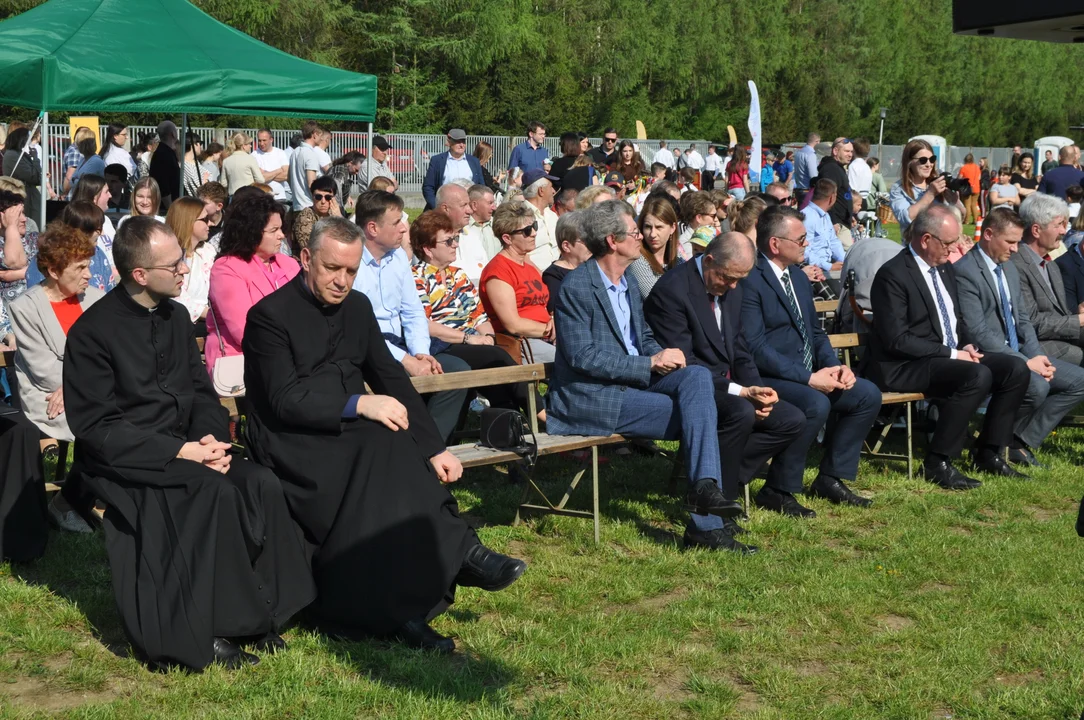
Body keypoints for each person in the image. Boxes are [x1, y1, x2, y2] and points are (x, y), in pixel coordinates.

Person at [240, 215, 524, 652]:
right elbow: (284, 400)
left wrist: (434, 449)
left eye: (351, 272)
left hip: (351, 434)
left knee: (391, 445)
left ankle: (413, 607)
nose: (341, 281)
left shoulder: (356, 308)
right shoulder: (269, 316)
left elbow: (391, 378)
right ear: (305, 259)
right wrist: (358, 404)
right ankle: (460, 553)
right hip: (291, 440)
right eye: (331, 268)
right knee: (382, 440)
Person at [63, 216, 315, 671]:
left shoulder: (177, 317)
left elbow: (200, 392)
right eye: (175, 265)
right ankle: (212, 625)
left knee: (260, 482)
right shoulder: (92, 332)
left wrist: (212, 441)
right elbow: (98, 427)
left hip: (192, 445)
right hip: (125, 459)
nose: (185, 271)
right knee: (207, 492)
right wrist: (182, 453)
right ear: (140, 275)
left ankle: (264, 613)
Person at [546, 201, 749, 551]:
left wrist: (665, 355)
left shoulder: (625, 283)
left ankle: (703, 489)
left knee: (697, 377)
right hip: (593, 394)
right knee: (703, 413)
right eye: (635, 232)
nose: (642, 237)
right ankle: (705, 524)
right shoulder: (577, 287)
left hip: (632, 381)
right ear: (613, 240)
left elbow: (642, 337)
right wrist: (649, 363)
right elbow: (583, 357)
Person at [644, 229, 808, 525]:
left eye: (738, 279)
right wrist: (740, 393)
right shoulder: (672, 291)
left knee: (791, 419)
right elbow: (685, 365)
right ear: (708, 261)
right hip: (691, 387)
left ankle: (718, 479)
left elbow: (740, 349)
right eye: (726, 277)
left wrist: (757, 388)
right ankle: (722, 502)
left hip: (727, 384)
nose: (732, 285)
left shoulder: (732, 287)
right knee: (740, 413)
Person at [868, 204, 1031, 489]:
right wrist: (955, 354)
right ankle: (937, 461)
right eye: (947, 243)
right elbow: (897, 340)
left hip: (946, 355)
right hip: (903, 364)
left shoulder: (943, 269)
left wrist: (967, 344)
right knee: (976, 375)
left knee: (1014, 368)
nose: (952, 249)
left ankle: (989, 452)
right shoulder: (893, 275)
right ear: (925, 239)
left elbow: (957, 320)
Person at [740, 205, 881, 506]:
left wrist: (834, 366)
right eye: (801, 239)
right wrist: (808, 378)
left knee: (866, 394)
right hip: (769, 376)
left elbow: (815, 333)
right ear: (775, 244)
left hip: (808, 372)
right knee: (815, 403)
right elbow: (755, 346)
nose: (808, 245)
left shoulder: (798, 278)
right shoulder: (751, 280)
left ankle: (830, 478)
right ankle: (778, 489)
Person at [954, 207, 1084, 467]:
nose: (1016, 249)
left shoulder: (1008, 269)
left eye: (1017, 242)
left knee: (1079, 381)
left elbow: (1023, 321)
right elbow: (977, 331)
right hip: (988, 355)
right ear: (988, 234)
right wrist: (1026, 363)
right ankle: (989, 447)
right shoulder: (965, 270)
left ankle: (1017, 439)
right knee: (1036, 386)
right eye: (1010, 242)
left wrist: (1037, 355)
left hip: (1020, 353)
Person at [349, 191, 472, 441]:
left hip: (399, 344)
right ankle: (413, 449)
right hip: (363, 351)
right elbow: (358, 331)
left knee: (458, 372)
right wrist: (407, 360)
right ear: (372, 228)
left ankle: (428, 447)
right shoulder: (351, 263)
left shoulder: (396, 258)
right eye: (396, 222)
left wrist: (420, 353)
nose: (404, 228)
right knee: (398, 378)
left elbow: (413, 312)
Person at [8, 223, 104, 533]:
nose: (88, 274)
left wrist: (79, 382)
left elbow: (111, 356)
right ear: (53, 269)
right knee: (102, 431)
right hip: (48, 396)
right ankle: (66, 503)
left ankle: (91, 497)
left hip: (87, 388)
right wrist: (80, 383)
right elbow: (43, 369)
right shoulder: (25, 307)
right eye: (80, 267)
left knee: (134, 420)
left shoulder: (97, 299)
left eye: (88, 265)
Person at [411, 210, 540, 418]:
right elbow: (424, 324)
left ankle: (512, 423)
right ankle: (539, 414)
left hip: (471, 342)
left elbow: (479, 316)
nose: (456, 244)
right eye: (448, 241)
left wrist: (488, 337)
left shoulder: (458, 275)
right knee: (497, 357)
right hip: (441, 345)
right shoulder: (416, 278)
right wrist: (470, 339)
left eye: (456, 238)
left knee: (494, 358)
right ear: (427, 249)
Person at [206, 194, 299, 378]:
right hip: (244, 365)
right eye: (274, 230)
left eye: (281, 228)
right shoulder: (227, 268)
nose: (282, 235)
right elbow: (245, 331)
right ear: (251, 231)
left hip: (292, 360)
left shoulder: (289, 264)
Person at [479, 200, 557, 364]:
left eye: (534, 226)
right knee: (571, 360)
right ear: (507, 238)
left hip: (545, 335)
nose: (534, 233)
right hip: (521, 340)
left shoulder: (528, 264)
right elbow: (513, 324)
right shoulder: (498, 272)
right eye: (527, 231)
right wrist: (550, 330)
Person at [1011, 192, 1084, 366]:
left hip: (1058, 337)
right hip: (1034, 346)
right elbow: (1031, 323)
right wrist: (1078, 320)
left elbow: (1060, 312)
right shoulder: (1017, 264)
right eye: (1059, 225)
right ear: (1036, 230)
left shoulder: (1050, 263)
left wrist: (1078, 311)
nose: (1063, 231)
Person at [165, 197, 217, 329]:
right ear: (188, 222)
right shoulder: (166, 256)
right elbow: (175, 299)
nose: (210, 223)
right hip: (176, 322)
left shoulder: (208, 251)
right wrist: (214, 315)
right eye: (205, 219)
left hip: (208, 320)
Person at [628, 195, 684, 299]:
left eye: (659, 227)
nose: (653, 234)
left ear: (672, 228)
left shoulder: (678, 258)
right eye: (648, 227)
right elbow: (657, 299)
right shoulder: (638, 259)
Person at [422, 129, 484, 210]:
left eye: (463, 141)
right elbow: (428, 187)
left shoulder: (474, 161)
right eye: (458, 142)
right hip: (445, 209)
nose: (461, 145)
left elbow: (481, 186)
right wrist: (437, 207)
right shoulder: (437, 161)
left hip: (468, 208)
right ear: (449, 142)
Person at [542, 211, 590, 312]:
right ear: (566, 246)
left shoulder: (592, 266)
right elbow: (557, 311)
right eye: (585, 241)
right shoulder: (553, 276)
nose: (591, 245)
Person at [71, 174, 118, 267]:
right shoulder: (80, 224)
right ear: (94, 197)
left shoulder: (106, 220)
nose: (110, 195)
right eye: (107, 191)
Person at [802, 178, 845, 273]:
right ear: (832, 198)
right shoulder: (807, 217)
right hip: (814, 271)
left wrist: (844, 261)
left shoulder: (825, 216)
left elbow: (833, 241)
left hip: (827, 266)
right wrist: (829, 266)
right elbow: (804, 251)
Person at [292, 176, 342, 253]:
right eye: (318, 197)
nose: (323, 201)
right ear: (312, 197)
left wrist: (339, 219)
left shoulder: (335, 214)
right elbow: (311, 249)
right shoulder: (305, 217)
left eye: (328, 197)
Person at [3, 127, 42, 223]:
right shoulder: (13, 155)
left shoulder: (19, 154)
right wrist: (35, 159)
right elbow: (34, 177)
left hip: (29, 194)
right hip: (23, 195)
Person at [288, 120, 326, 211]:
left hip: (296, 205)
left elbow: (289, 178)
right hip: (308, 205)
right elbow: (311, 183)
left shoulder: (295, 152)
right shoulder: (310, 154)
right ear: (314, 134)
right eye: (321, 136)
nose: (321, 139)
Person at [149, 121, 181, 210]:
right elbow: (163, 186)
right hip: (166, 207)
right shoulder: (164, 154)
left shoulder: (165, 152)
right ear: (173, 134)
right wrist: (171, 209)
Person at [253, 129, 291, 202]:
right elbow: (260, 178)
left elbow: (286, 175)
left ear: (271, 140)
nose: (261, 143)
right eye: (260, 140)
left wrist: (266, 174)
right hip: (261, 198)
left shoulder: (280, 153)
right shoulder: (254, 155)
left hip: (279, 197)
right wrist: (279, 170)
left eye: (264, 140)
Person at [62, 126, 96, 197]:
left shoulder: (76, 150)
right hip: (73, 195)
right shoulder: (75, 152)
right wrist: (65, 194)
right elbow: (70, 176)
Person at [957, 153, 982, 225]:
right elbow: (979, 178)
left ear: (965, 159)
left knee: (967, 205)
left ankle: (966, 220)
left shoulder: (963, 168)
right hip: (976, 188)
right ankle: (976, 220)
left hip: (967, 188)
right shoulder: (977, 167)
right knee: (974, 205)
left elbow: (959, 178)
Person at [793, 133, 820, 197]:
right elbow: (813, 175)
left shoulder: (798, 152)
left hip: (798, 188)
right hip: (807, 189)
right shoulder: (811, 154)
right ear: (817, 142)